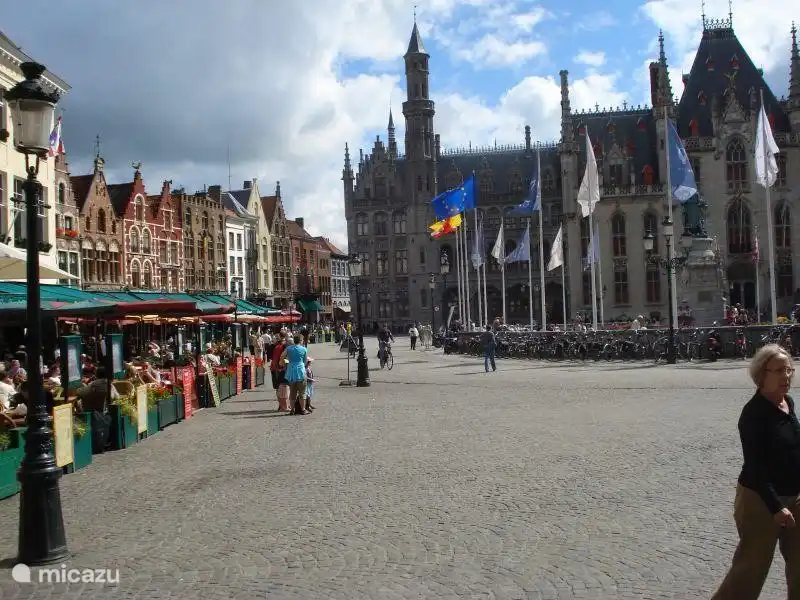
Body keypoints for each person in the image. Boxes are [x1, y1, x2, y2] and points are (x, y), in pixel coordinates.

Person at [712, 344, 800, 598]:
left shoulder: (788, 403)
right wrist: (776, 507)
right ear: (762, 375)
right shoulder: (753, 414)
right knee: (751, 568)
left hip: (794, 495)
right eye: (780, 371)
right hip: (760, 500)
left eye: (790, 370)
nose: (787, 376)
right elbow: (755, 466)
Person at [281, 334, 310, 415]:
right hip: (300, 371)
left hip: (291, 371)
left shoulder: (289, 348)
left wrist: (286, 363)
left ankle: (292, 410)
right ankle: (303, 409)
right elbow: (305, 361)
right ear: (301, 340)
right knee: (302, 392)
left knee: (292, 392)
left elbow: (282, 356)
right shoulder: (304, 349)